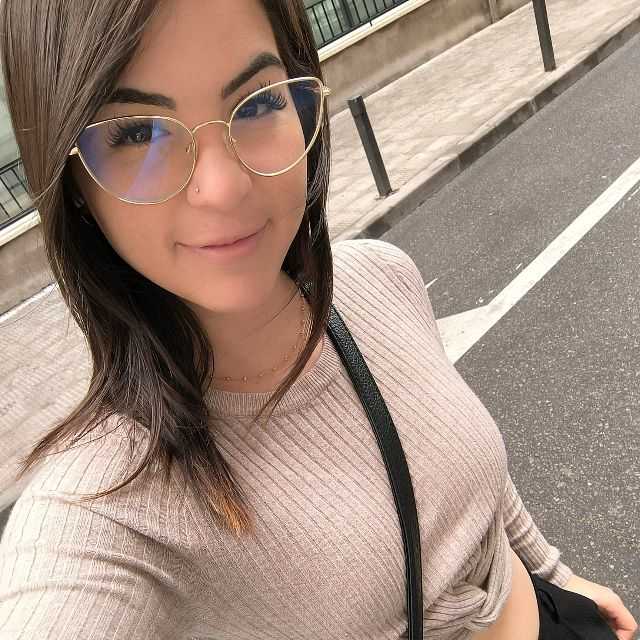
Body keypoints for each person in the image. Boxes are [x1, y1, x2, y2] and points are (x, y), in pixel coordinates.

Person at [0, 1, 636, 639]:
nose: (223, 187)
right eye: (138, 133)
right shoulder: (103, 508)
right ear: (71, 180)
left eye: (256, 103)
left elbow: (463, 471)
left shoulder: (379, 279)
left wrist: (554, 572)